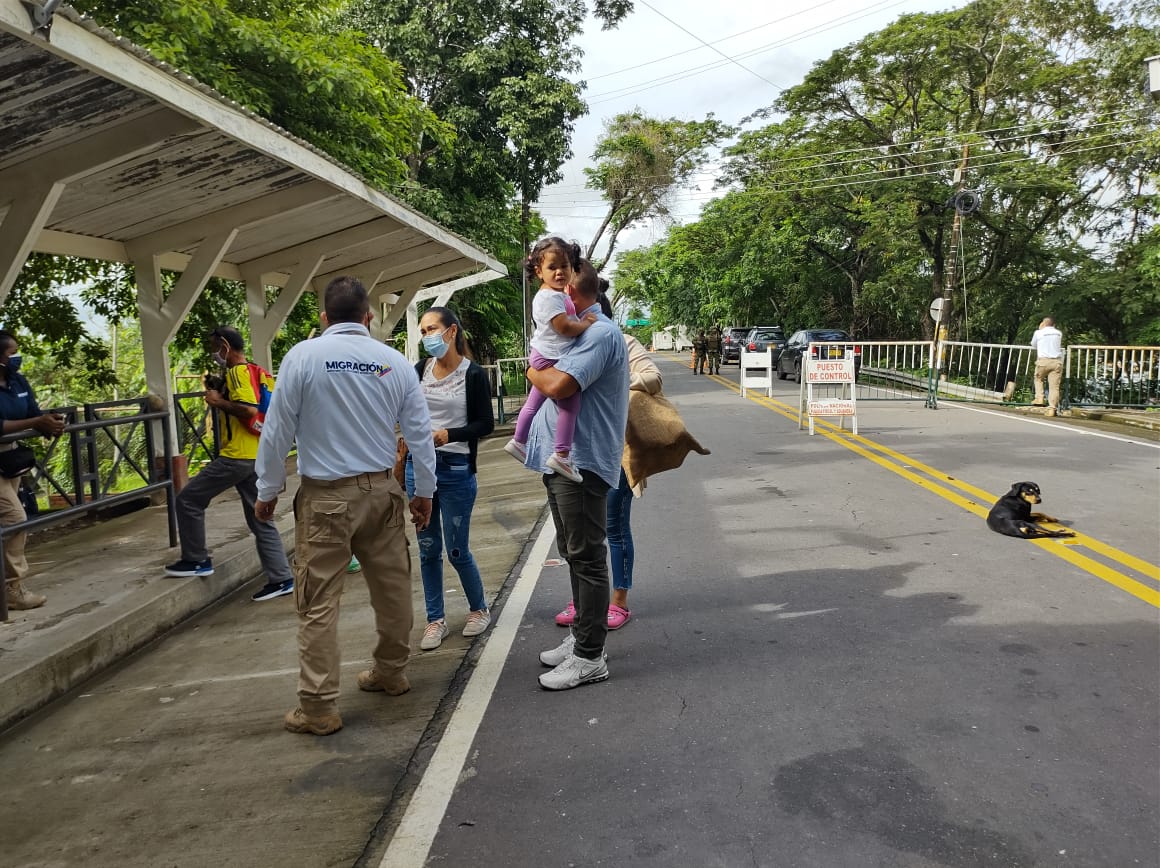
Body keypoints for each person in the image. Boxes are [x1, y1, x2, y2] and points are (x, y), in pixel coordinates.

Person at [254, 276, 436, 736]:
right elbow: (418, 434)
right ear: (368, 317)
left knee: (318, 604)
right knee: (393, 589)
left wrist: (266, 490)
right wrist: (424, 492)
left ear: (323, 318)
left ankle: (317, 708)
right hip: (382, 494)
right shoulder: (393, 361)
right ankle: (391, 672)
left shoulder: (301, 358)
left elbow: (276, 433)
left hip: (325, 499)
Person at [526, 260, 628, 691]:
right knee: (573, 552)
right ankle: (583, 637)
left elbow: (557, 385)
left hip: (582, 463)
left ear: (572, 291)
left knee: (586, 555)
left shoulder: (600, 333)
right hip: (564, 461)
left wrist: (532, 370)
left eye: (561, 284)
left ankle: (589, 656)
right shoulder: (582, 332)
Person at [555, 288, 661, 632]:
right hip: (575, 454)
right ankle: (582, 600)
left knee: (612, 528)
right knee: (575, 533)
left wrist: (612, 379)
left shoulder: (623, 341)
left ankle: (618, 601)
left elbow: (653, 378)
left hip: (616, 453)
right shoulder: (567, 344)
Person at [163, 326, 294, 602]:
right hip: (259, 453)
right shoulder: (260, 372)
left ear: (224, 345)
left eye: (214, 347)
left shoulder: (237, 372)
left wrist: (218, 401)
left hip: (237, 456)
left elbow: (247, 409)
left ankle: (196, 559)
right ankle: (281, 578)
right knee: (260, 518)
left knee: (188, 499)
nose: (213, 354)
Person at [407, 306, 494, 651]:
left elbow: (485, 424)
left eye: (433, 329)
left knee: (457, 549)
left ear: (452, 331)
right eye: (423, 330)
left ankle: (478, 609)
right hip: (419, 467)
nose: (427, 336)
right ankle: (435, 620)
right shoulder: (419, 370)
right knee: (428, 549)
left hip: (456, 470)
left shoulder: (472, 374)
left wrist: (450, 434)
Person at [504, 237, 596, 483]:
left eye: (564, 266)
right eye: (552, 267)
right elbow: (564, 327)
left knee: (533, 403)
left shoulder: (552, 294)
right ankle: (562, 454)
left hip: (543, 354)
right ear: (538, 271)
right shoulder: (550, 298)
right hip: (551, 358)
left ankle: (519, 440)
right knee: (570, 406)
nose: (559, 272)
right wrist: (584, 325)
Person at [0, 331, 65, 610]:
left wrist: (47, 422)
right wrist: (36, 421)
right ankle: (12, 589)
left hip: (10, 459)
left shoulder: (17, 381)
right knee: (16, 519)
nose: (16, 357)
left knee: (8, 523)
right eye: (11, 353)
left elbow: (32, 412)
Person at [1030, 317, 1064, 417]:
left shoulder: (1038, 332)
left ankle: (1039, 398)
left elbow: (1034, 345)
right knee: (1054, 387)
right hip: (1056, 362)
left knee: (1038, 378)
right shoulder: (1058, 333)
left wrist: (1040, 330)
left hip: (1043, 361)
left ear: (1043, 323)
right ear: (1053, 325)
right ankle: (1052, 409)